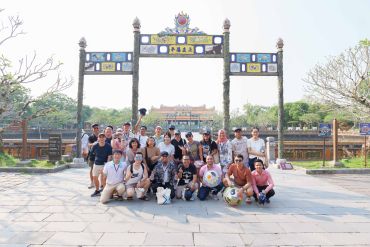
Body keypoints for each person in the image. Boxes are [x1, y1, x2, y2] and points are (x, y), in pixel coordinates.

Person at [90, 133, 113, 197]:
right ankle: (97, 190)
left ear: (105, 138)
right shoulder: (95, 145)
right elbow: (92, 153)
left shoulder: (108, 146)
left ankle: (105, 191)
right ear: (98, 138)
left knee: (104, 178)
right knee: (95, 177)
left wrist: (107, 164)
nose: (102, 138)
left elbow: (110, 156)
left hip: (104, 164)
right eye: (100, 137)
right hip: (96, 163)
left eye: (103, 137)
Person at [87, 123, 99, 189]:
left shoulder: (101, 136)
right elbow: (89, 145)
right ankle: (92, 182)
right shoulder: (91, 137)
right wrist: (95, 143)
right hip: (92, 155)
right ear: (92, 129)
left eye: (97, 128)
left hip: (100, 155)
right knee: (92, 169)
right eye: (94, 128)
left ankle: (100, 183)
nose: (96, 129)